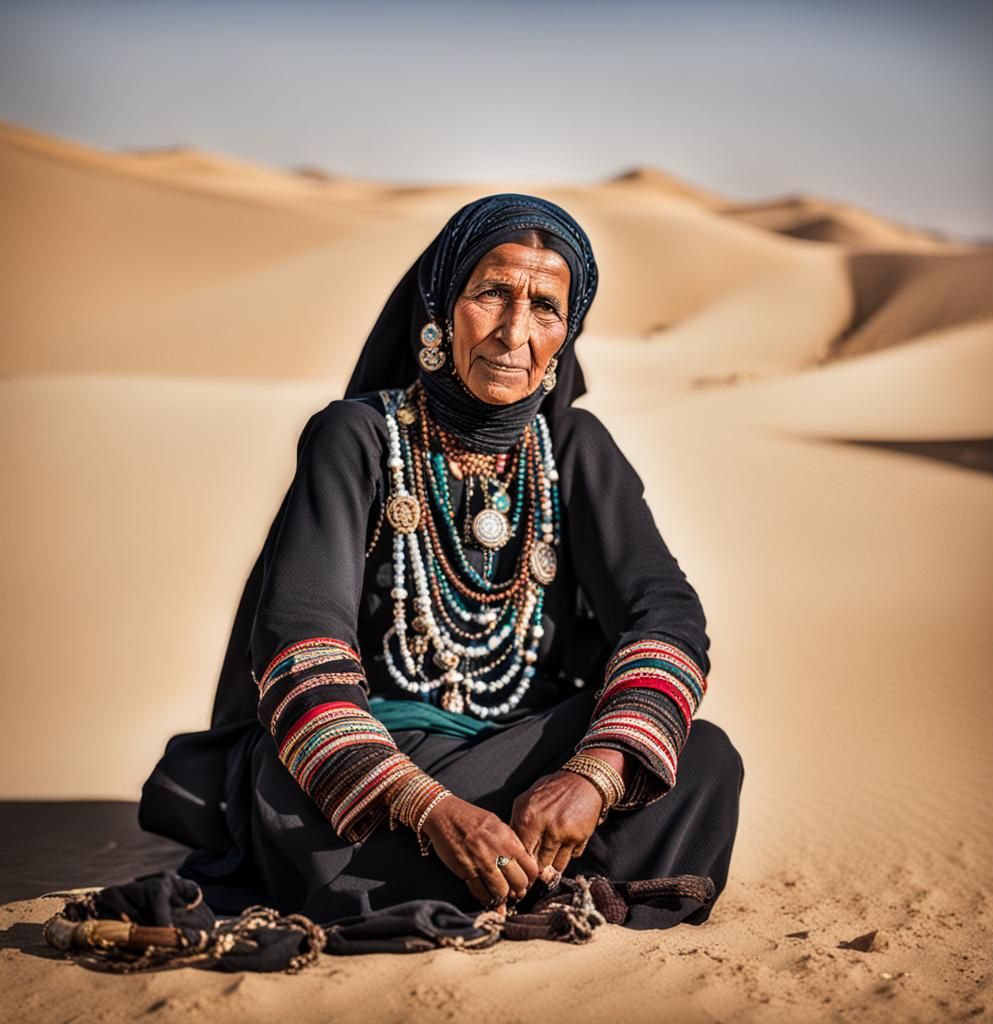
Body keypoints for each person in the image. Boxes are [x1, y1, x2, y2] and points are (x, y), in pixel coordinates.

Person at [139, 194, 743, 931]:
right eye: (491, 293)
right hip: (381, 768)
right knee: (292, 798)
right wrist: (428, 806)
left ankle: (491, 875)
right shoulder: (355, 438)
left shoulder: (577, 451)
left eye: (545, 308)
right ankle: (537, 883)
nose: (515, 332)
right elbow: (299, 642)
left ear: (568, 332)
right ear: (441, 306)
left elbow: (668, 615)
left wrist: (593, 775)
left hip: (527, 764)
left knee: (704, 763)